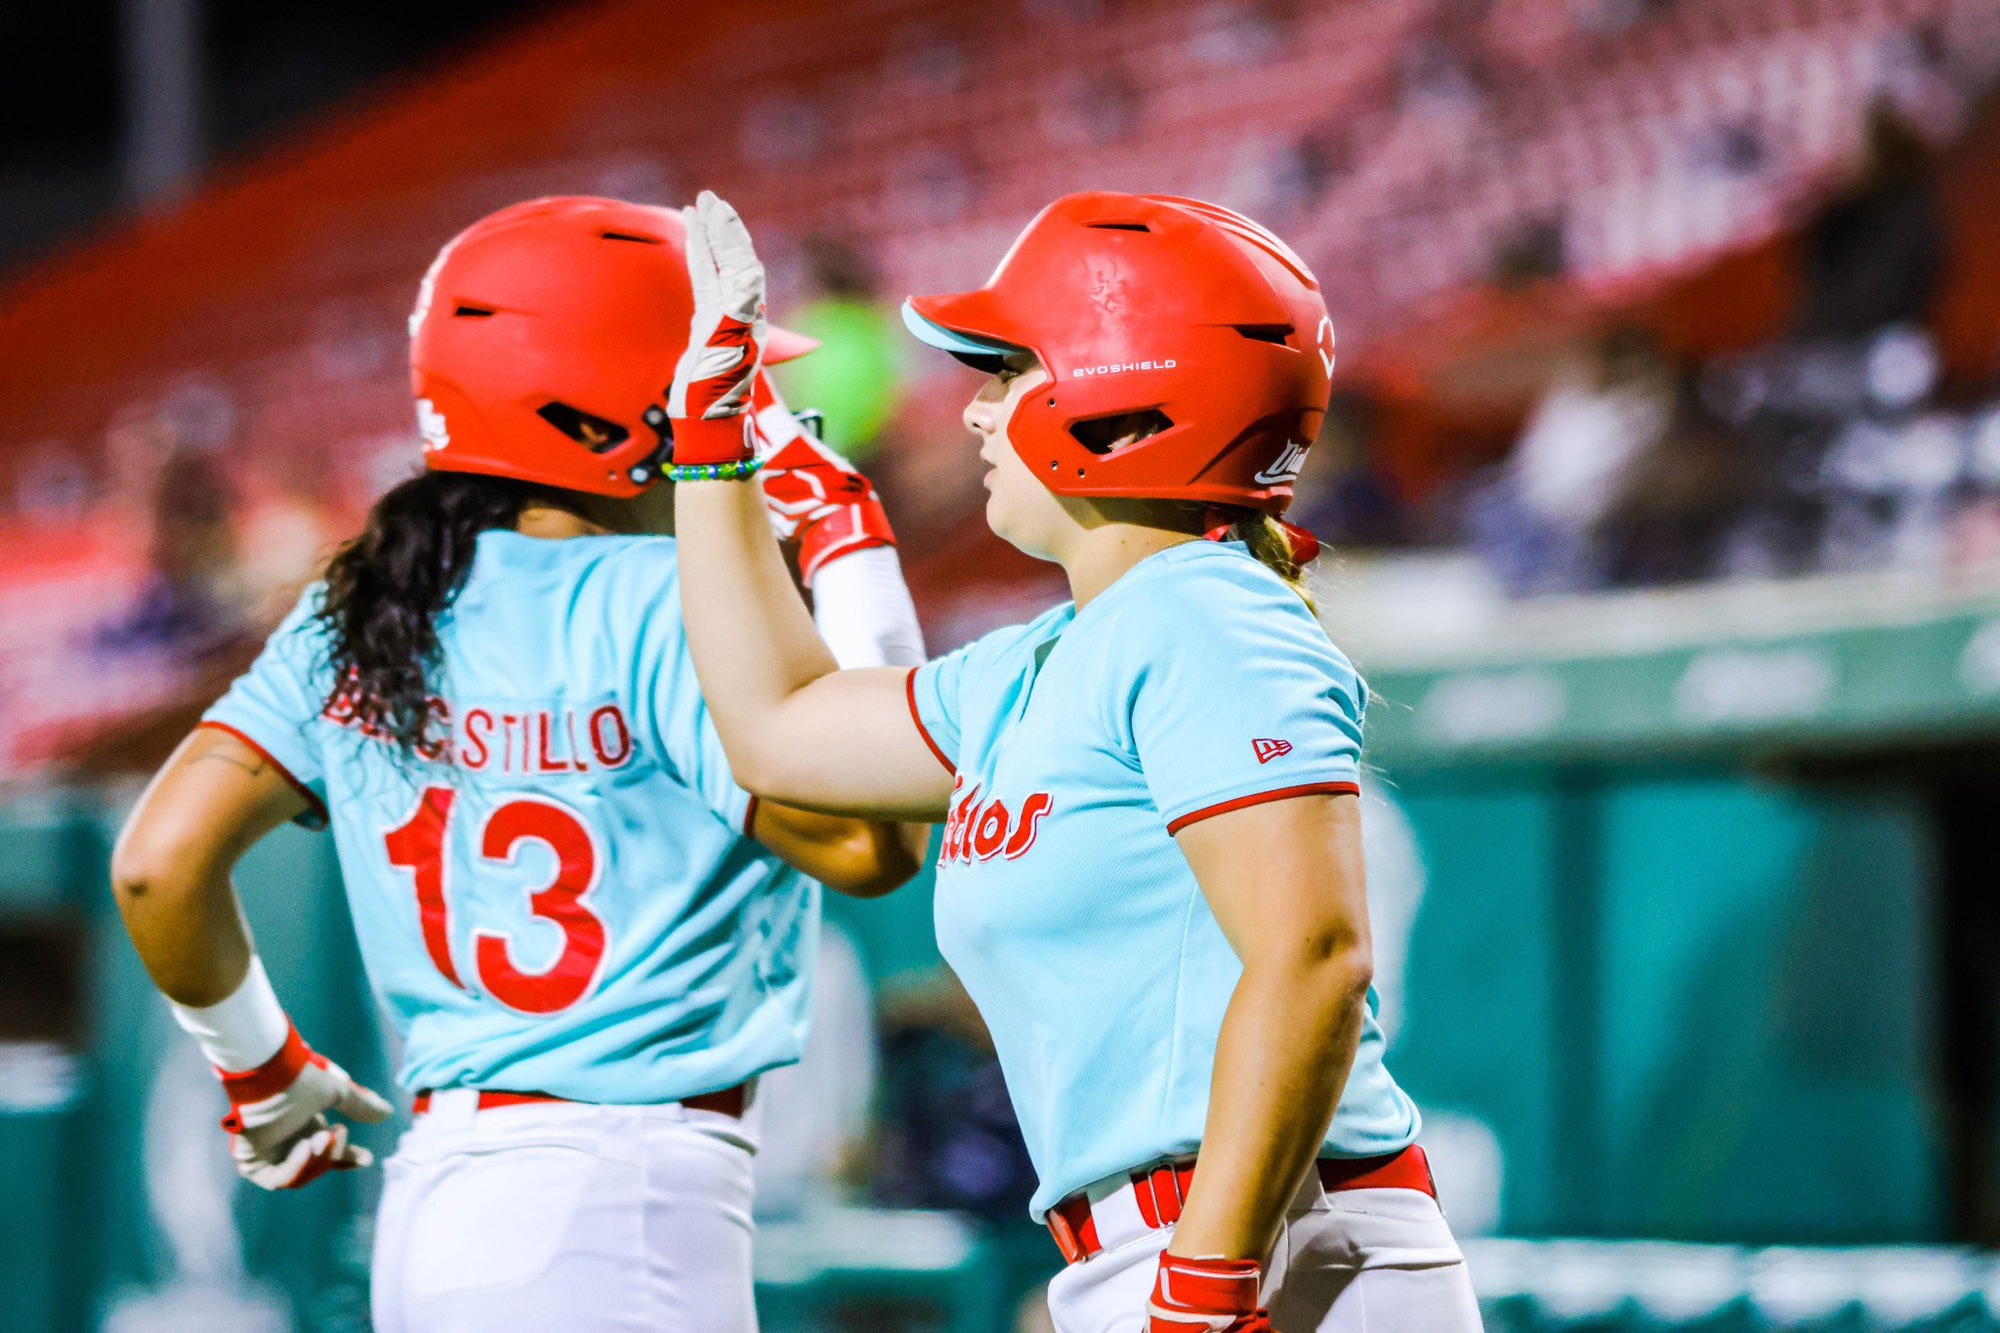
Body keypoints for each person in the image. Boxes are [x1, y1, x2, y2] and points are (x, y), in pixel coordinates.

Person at [108, 195, 929, 1333]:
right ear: (613, 425)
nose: (750, 417)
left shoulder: (355, 607)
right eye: (712, 393)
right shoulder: (668, 605)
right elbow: (876, 837)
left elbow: (157, 863)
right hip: (628, 1191)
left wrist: (261, 1071)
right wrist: (846, 545)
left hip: (440, 1192)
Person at [667, 190, 1483, 1333]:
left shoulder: (1203, 610)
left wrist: (1204, 1287)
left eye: (1002, 373)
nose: (971, 415)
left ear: (1118, 397)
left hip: (1273, 1249)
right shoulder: (1046, 657)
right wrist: (710, 457)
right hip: (1169, 1244)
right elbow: (777, 726)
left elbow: (1311, 959)